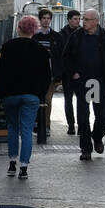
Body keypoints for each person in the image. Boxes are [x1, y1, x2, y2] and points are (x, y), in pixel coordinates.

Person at [61, 9, 105, 162]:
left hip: (100, 82)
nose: (84, 22)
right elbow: (66, 56)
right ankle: (86, 149)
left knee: (101, 116)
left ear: (96, 21)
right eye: (83, 19)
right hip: (82, 82)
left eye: (87, 19)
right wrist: (73, 73)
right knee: (82, 117)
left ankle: (97, 137)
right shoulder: (77, 36)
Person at [0, 15, 53, 179]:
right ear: (34, 30)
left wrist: (1, 93)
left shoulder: (7, 47)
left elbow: (1, 72)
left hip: (11, 95)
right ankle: (24, 167)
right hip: (31, 95)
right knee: (27, 130)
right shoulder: (41, 50)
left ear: (19, 28)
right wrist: (40, 94)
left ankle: (12, 163)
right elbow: (46, 76)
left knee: (13, 128)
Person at [31, 7, 62, 135]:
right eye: (44, 18)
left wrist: (59, 75)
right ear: (40, 20)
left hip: (50, 74)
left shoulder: (56, 36)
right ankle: (37, 123)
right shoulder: (35, 36)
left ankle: (47, 125)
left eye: (48, 18)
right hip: (37, 74)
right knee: (37, 100)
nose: (46, 20)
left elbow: (60, 56)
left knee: (48, 100)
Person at [59, 9, 81, 134]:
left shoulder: (83, 33)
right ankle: (71, 125)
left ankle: (81, 123)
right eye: (75, 19)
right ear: (69, 20)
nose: (78, 21)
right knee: (68, 100)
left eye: (79, 19)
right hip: (67, 73)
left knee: (81, 100)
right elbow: (62, 55)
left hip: (81, 72)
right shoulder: (62, 34)